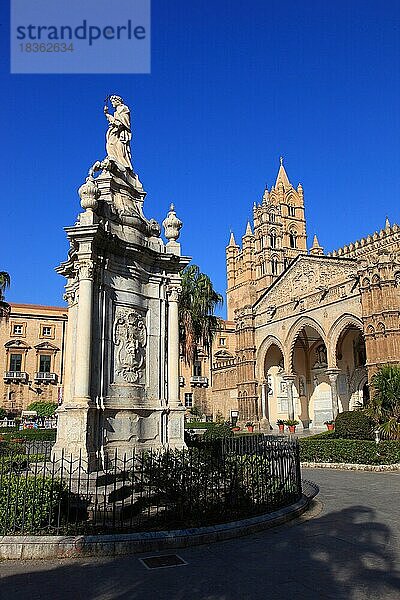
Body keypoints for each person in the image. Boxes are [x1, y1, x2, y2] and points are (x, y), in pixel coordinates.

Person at [104, 95, 133, 170]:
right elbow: (115, 120)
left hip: (120, 134)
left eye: (113, 102)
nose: (112, 104)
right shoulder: (116, 112)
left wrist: (116, 123)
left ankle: (123, 165)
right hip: (114, 132)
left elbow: (123, 122)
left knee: (120, 149)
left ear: (118, 101)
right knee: (110, 145)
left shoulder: (123, 108)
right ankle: (114, 161)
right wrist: (107, 114)